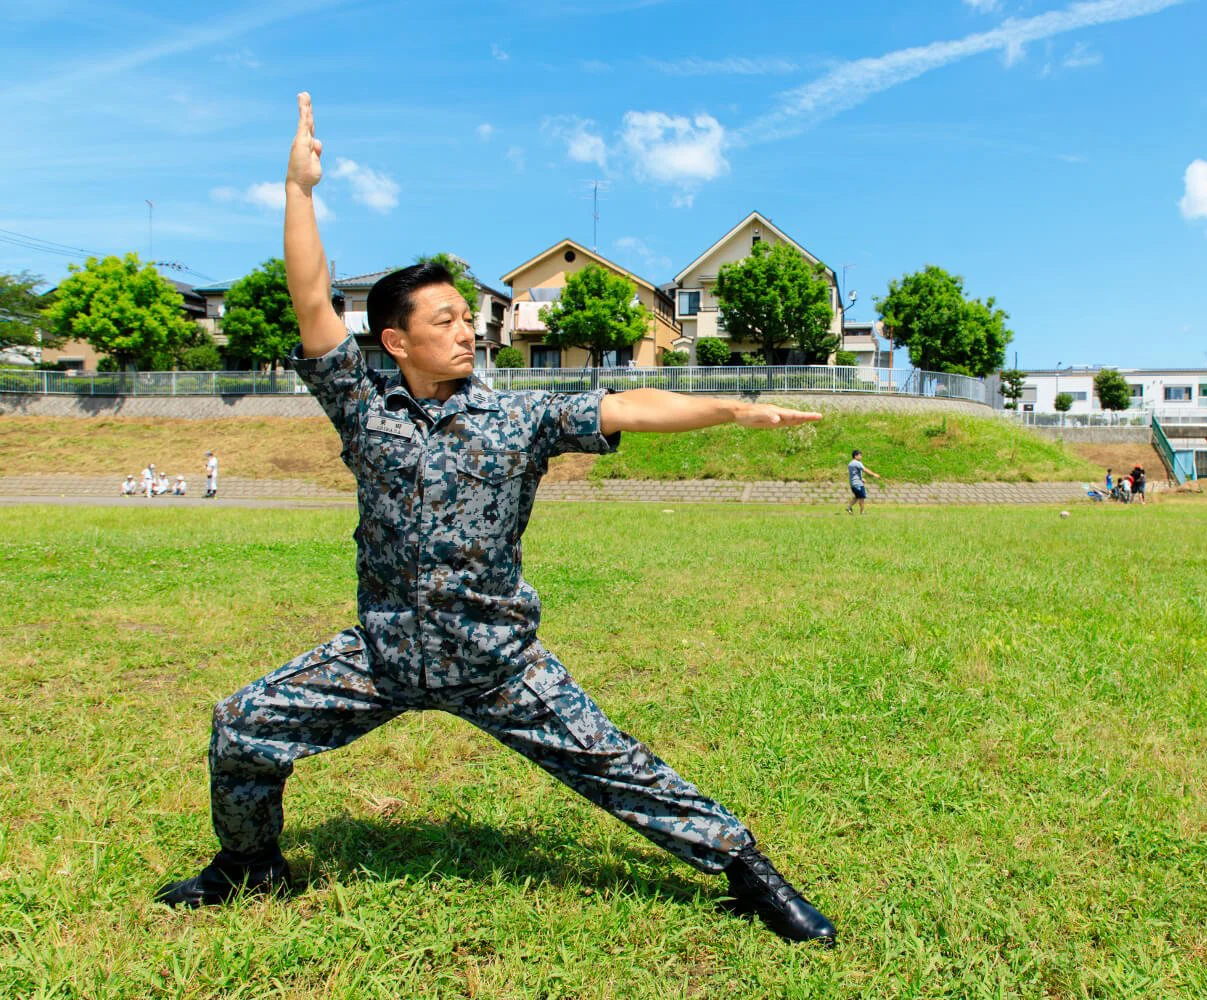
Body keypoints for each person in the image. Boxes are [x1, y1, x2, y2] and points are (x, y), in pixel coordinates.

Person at [155, 93, 837, 947]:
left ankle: (747, 871)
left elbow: (627, 401)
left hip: (494, 660)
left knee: (616, 765)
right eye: (443, 322)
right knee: (244, 726)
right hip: (384, 655)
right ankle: (249, 867)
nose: (467, 332)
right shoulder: (365, 412)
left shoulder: (519, 419)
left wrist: (729, 415)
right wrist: (298, 193)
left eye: (466, 318)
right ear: (396, 342)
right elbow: (313, 305)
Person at [845, 449, 882, 514]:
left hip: (853, 483)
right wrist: (874, 474)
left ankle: (849, 507)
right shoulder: (857, 463)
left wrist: (861, 478)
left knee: (857, 497)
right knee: (861, 497)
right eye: (860, 455)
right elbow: (865, 470)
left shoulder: (850, 463)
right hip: (858, 484)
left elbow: (854, 473)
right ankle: (862, 512)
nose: (861, 457)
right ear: (855, 456)